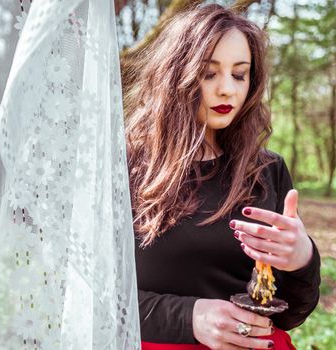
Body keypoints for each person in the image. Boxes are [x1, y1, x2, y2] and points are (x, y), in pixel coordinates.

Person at [124, 4, 321, 350]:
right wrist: (189, 318)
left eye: (239, 74)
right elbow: (87, 295)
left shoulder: (267, 170)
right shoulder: (126, 167)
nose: (227, 89)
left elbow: (289, 313)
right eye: (209, 73)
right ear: (174, 74)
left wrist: (302, 259)